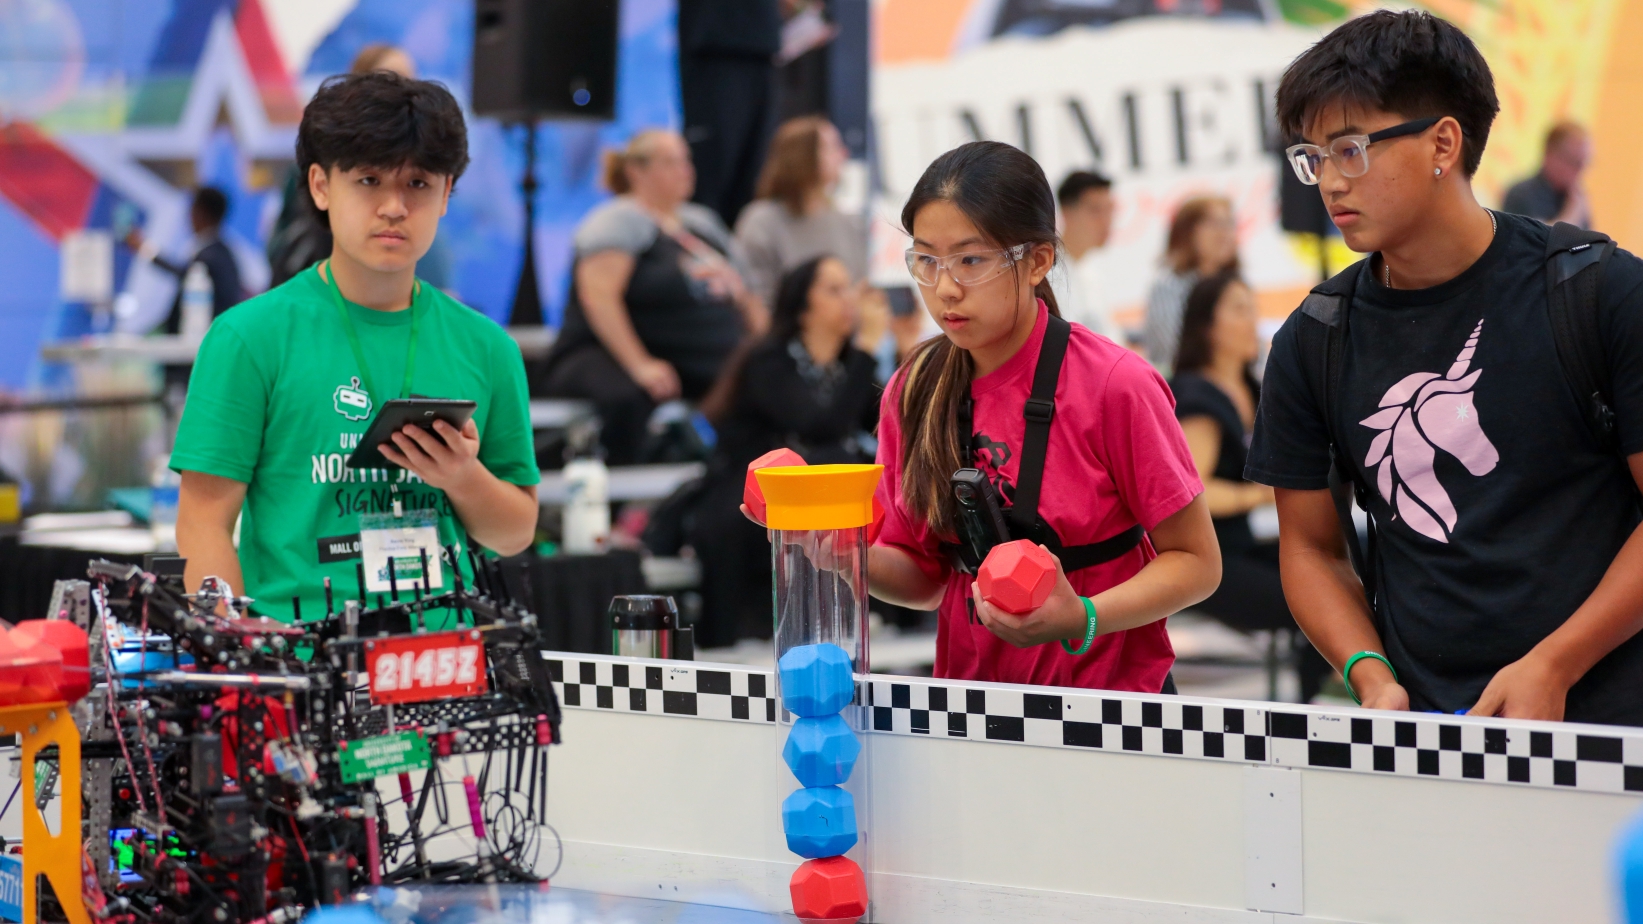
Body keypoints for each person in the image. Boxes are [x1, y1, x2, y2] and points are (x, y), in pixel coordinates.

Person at [1250, 10, 1643, 725]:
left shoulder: (1599, 290)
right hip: (1429, 736)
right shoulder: (1314, 338)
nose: (1328, 183)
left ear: (1442, 142)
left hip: (1611, 729)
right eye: (1311, 156)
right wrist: (1369, 674)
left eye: (1350, 150)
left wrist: (1554, 664)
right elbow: (1310, 547)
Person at [817, 140, 1221, 691]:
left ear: (1037, 261)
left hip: (1113, 706)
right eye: (926, 260)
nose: (944, 288)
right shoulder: (914, 390)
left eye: (971, 260)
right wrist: (842, 549)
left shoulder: (1114, 384)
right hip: (971, 701)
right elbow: (924, 577)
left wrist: (1082, 617)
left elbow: (1197, 562)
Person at [170, 71, 540, 623]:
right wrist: (242, 652)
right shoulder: (249, 337)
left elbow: (514, 533)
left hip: (447, 666)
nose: (394, 206)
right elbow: (203, 524)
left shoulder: (486, 347)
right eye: (368, 180)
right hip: (301, 670)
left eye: (418, 184)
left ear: (446, 196)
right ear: (321, 186)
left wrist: (463, 477)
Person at [541, 130, 768, 466]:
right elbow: (599, 297)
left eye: (686, 160)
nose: (685, 170)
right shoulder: (619, 220)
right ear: (637, 171)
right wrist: (640, 364)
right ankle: (623, 505)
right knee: (630, 397)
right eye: (670, 162)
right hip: (604, 355)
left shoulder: (701, 224)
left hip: (700, 362)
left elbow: (748, 295)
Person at [691, 255, 880, 646]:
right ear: (803, 305)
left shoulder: (846, 365)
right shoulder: (769, 360)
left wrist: (907, 350)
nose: (850, 300)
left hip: (816, 499)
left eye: (850, 287)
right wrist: (866, 351)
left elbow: (884, 422)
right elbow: (819, 425)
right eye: (834, 289)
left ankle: (862, 620)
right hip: (751, 497)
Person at [1171, 271, 1333, 702]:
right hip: (1206, 558)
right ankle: (1313, 701)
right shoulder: (1197, 397)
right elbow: (1192, 491)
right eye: (1239, 309)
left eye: (1253, 309)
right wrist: (1260, 494)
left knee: (1353, 552)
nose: (1252, 321)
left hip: (1241, 545)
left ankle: (1326, 683)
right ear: (1207, 325)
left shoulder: (1249, 387)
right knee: (1321, 597)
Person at [734, 116, 867, 309]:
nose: (843, 154)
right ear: (801, 156)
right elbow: (755, 298)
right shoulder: (761, 221)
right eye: (832, 147)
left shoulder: (847, 222)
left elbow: (859, 291)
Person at [678, 0, 782, 226]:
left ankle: (736, 256)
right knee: (712, 179)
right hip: (717, 48)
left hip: (763, 48)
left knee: (754, 175)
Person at [127, 186, 245, 333]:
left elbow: (182, 272)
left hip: (203, 339)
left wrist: (145, 249)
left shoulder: (212, 255)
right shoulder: (219, 251)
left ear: (200, 212)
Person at [1143, 195, 1238, 373]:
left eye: (1229, 224)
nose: (1225, 233)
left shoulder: (1236, 285)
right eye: (1215, 224)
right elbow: (1174, 351)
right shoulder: (1167, 287)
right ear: (1188, 231)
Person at [1050, 170, 1118, 340]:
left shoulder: (1094, 273)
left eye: (1109, 210)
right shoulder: (1047, 274)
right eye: (1095, 210)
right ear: (1067, 212)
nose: (1106, 221)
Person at [1502, 121, 1592, 229]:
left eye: (1583, 164)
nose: (1579, 171)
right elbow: (1534, 241)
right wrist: (1572, 214)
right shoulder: (1520, 195)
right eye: (1574, 162)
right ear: (1550, 154)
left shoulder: (1572, 198)